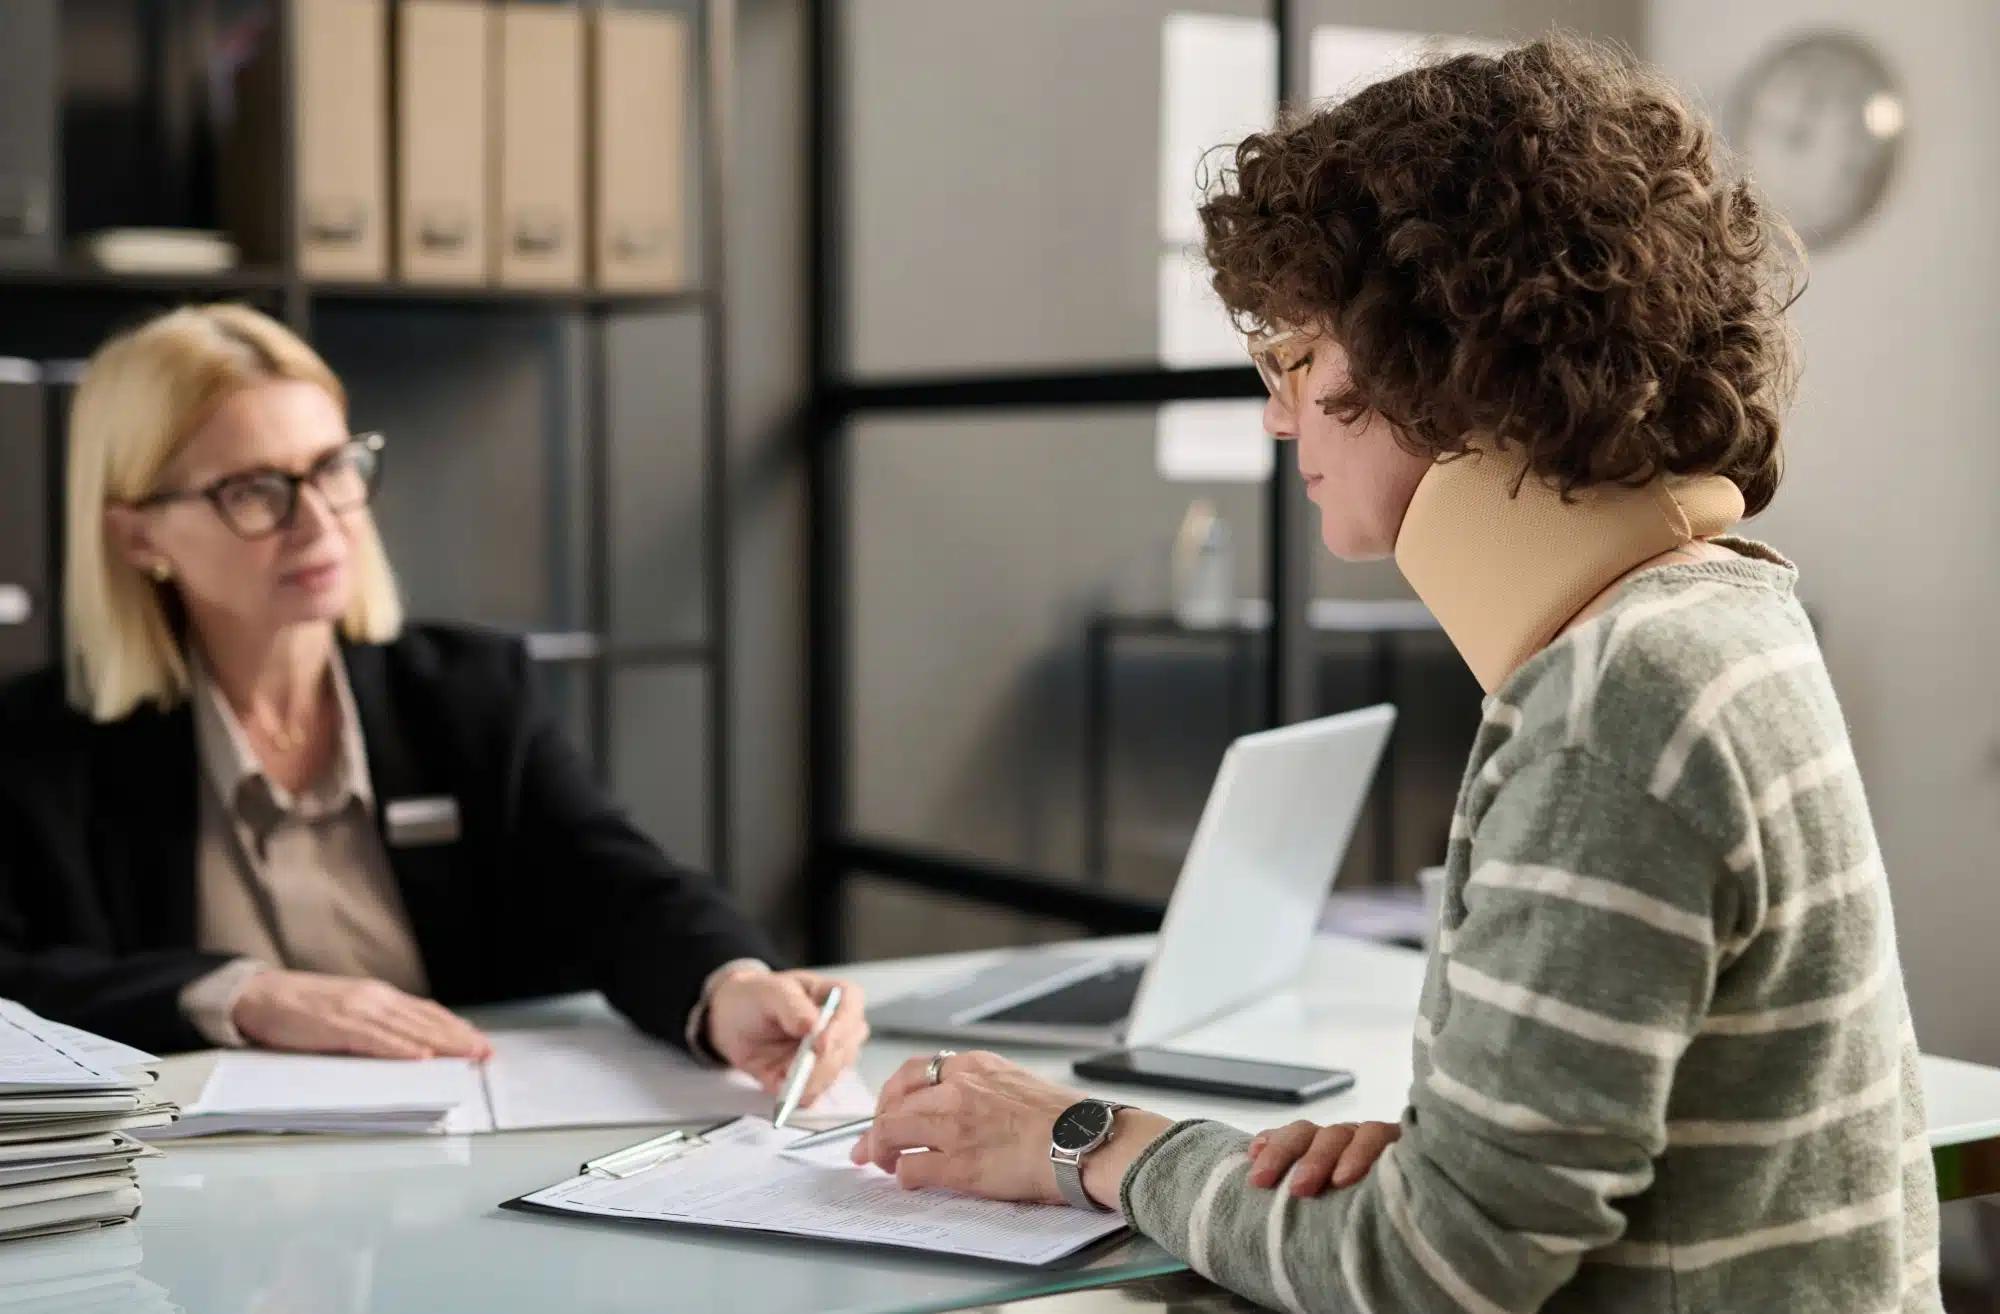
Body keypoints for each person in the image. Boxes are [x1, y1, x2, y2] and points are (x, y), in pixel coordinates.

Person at [851, 35, 1940, 1314]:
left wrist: (1088, 1145)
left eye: (1299, 361)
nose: (1277, 416)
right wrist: (1449, 1172)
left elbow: (1431, 1277)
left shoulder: (1611, 705)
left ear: (1442, 361)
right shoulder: (1725, 614)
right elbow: (1531, 1206)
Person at [0, 303, 866, 1107]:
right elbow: (15, 984)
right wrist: (242, 995)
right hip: (182, 1195)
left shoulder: (465, 693)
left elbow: (614, 887)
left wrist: (730, 988)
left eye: (333, 469)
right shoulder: (40, 748)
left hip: (456, 1177)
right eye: (253, 491)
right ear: (137, 534)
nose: (321, 522)